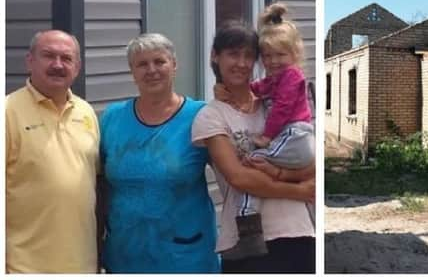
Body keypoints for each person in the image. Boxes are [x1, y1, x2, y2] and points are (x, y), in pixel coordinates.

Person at [192, 21, 316, 273]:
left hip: (297, 231)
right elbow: (239, 177)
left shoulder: (277, 102)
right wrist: (298, 190)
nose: (241, 63)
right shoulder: (211, 116)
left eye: (249, 55)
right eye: (233, 54)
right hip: (244, 242)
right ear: (215, 56)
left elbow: (309, 162)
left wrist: (283, 174)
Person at [98, 33, 220, 273]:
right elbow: (99, 184)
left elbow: (232, 176)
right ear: (132, 72)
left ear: (174, 65)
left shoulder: (200, 116)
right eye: (142, 64)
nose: (151, 70)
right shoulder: (113, 118)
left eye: (159, 61)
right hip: (124, 255)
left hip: (185, 257)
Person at [215, 3, 315, 247]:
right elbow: (257, 89)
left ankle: (248, 216)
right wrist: (227, 89)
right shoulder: (274, 79)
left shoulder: (293, 77)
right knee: (253, 165)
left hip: (296, 134)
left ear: (295, 55)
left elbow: (281, 109)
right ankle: (248, 221)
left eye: (280, 55)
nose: (273, 61)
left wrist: (267, 137)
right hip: (290, 139)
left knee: (253, 159)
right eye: (267, 56)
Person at [5, 30, 100, 273]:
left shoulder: (86, 112)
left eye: (66, 58)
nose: (58, 65)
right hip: (23, 268)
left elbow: (92, 184)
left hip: (82, 265)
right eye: (48, 56)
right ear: (30, 61)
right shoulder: (7, 112)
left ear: (77, 67)